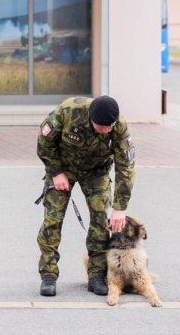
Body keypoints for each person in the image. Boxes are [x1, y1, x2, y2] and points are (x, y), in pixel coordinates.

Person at [36, 95, 135, 297]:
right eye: (101, 127)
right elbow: (44, 143)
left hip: (96, 173)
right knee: (52, 220)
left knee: (100, 220)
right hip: (63, 170)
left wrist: (120, 208)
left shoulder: (119, 126)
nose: (106, 130)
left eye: (110, 126)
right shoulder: (69, 110)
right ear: (90, 118)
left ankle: (96, 275)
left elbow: (126, 167)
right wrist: (56, 172)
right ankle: (48, 274)